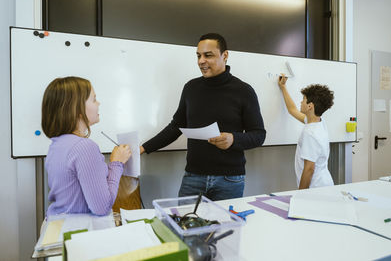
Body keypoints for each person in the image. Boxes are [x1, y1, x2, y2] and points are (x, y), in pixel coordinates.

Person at [140, 33, 266, 201]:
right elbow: (176, 126)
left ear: (225, 55)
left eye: (208, 55)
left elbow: (259, 135)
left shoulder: (244, 91)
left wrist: (233, 139)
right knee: (184, 225)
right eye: (198, 56)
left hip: (230, 180)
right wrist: (143, 148)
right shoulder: (191, 88)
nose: (201, 61)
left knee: (225, 227)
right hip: (193, 176)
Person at [42, 76, 132, 216]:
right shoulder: (84, 148)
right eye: (94, 99)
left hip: (58, 225)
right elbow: (102, 207)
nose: (98, 103)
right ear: (77, 108)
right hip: (79, 230)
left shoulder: (57, 144)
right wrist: (117, 163)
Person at [278, 74, 334, 189]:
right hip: (324, 184)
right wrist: (283, 87)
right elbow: (292, 109)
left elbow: (309, 169)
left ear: (310, 106)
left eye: (303, 99)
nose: (301, 102)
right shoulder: (319, 122)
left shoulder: (310, 133)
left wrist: (300, 194)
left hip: (316, 188)